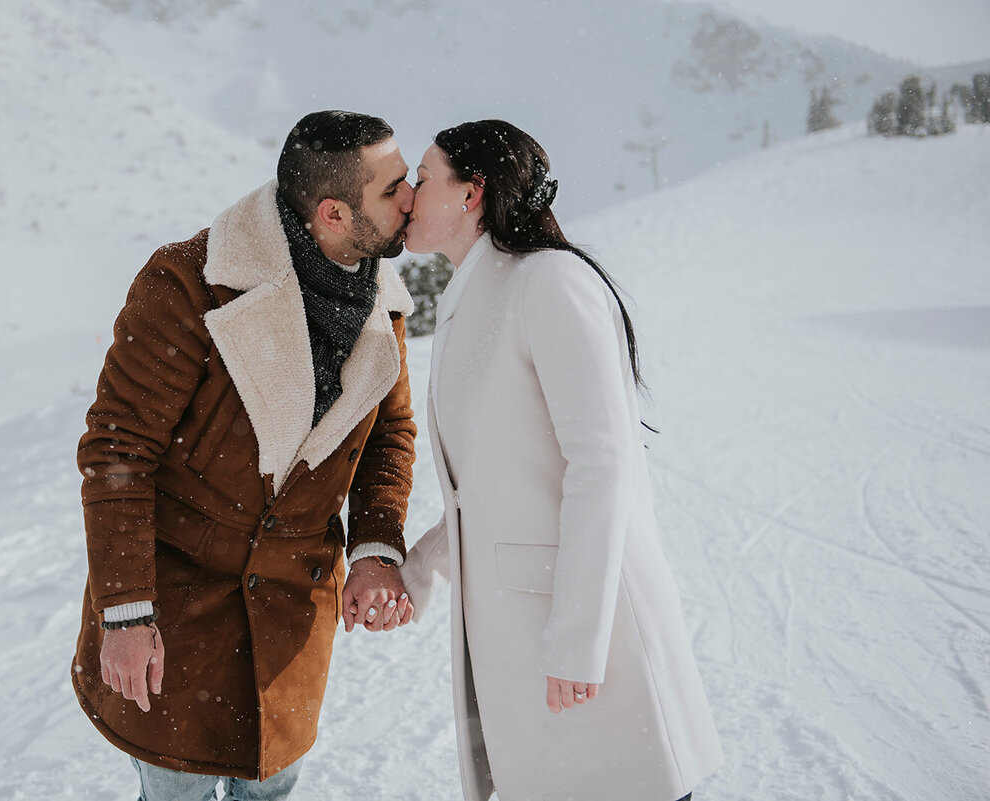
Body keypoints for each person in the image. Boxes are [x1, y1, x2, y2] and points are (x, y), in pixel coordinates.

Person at [71, 110, 420, 801]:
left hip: (294, 615)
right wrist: (127, 613)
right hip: (178, 613)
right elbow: (118, 448)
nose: (411, 198)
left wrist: (377, 544)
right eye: (394, 187)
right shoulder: (188, 284)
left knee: (271, 791)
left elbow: (389, 434)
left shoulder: (384, 302)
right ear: (333, 213)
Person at [399, 120, 724, 801]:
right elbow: (487, 488)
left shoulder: (550, 281)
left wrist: (578, 640)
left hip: (588, 647)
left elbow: (603, 464)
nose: (408, 191)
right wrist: (419, 570)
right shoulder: (473, 299)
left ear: (472, 194)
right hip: (526, 644)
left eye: (424, 176)